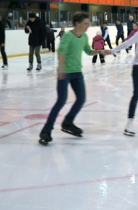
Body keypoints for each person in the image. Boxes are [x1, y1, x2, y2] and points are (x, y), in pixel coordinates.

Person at [39, 12, 101, 146]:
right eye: (85, 23)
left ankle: (68, 122)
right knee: (61, 101)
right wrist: (61, 69)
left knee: (81, 99)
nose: (87, 26)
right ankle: (46, 130)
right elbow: (61, 52)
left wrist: (100, 51)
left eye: (88, 23)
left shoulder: (84, 36)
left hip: (77, 72)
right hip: (65, 73)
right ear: (77, 23)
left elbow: (88, 51)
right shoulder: (68, 36)